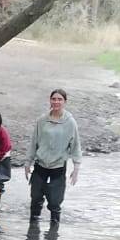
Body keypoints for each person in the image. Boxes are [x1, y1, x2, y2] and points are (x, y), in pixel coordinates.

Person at [26, 88, 81, 224]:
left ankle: (53, 232)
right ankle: (32, 229)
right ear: (50, 101)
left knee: (55, 202)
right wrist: (28, 162)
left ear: (65, 102)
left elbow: (75, 146)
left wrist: (76, 169)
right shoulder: (42, 120)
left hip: (58, 166)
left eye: (59, 99)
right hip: (40, 165)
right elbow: (34, 142)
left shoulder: (70, 122)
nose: (56, 102)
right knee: (35, 198)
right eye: (54, 99)